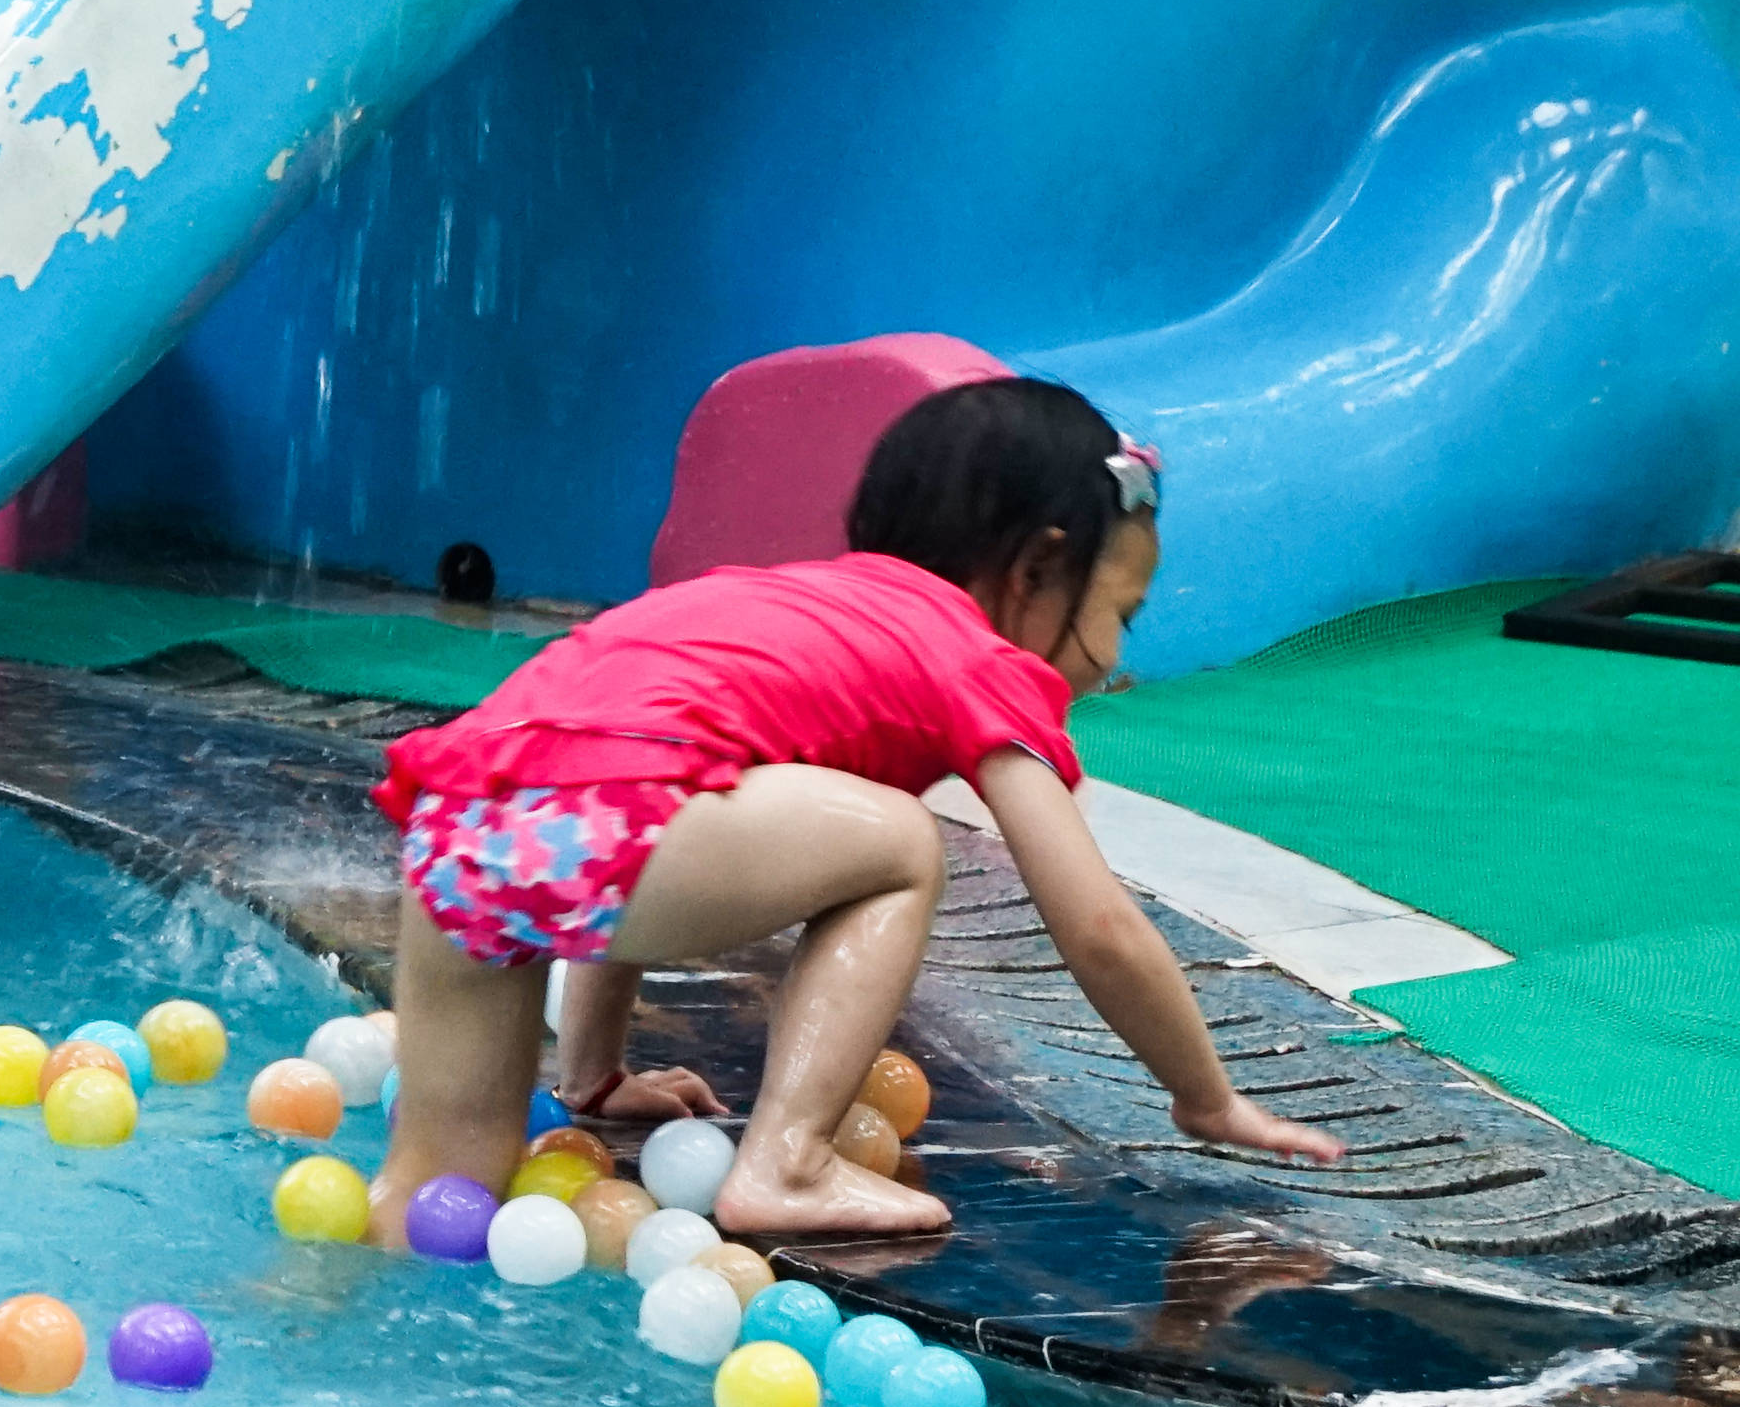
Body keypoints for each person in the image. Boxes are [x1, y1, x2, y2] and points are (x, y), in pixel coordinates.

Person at [371, 375, 1346, 1246]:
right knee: (900, 841)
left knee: (436, 1199)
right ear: (1036, 572)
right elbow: (1096, 925)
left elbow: (613, 754)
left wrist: (595, 1075)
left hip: (462, 822)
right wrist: (1206, 1098)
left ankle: (311, 1299)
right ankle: (787, 1160)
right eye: (1118, 616)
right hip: (607, 820)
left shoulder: (779, 601)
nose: (1114, 661)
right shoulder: (977, 655)